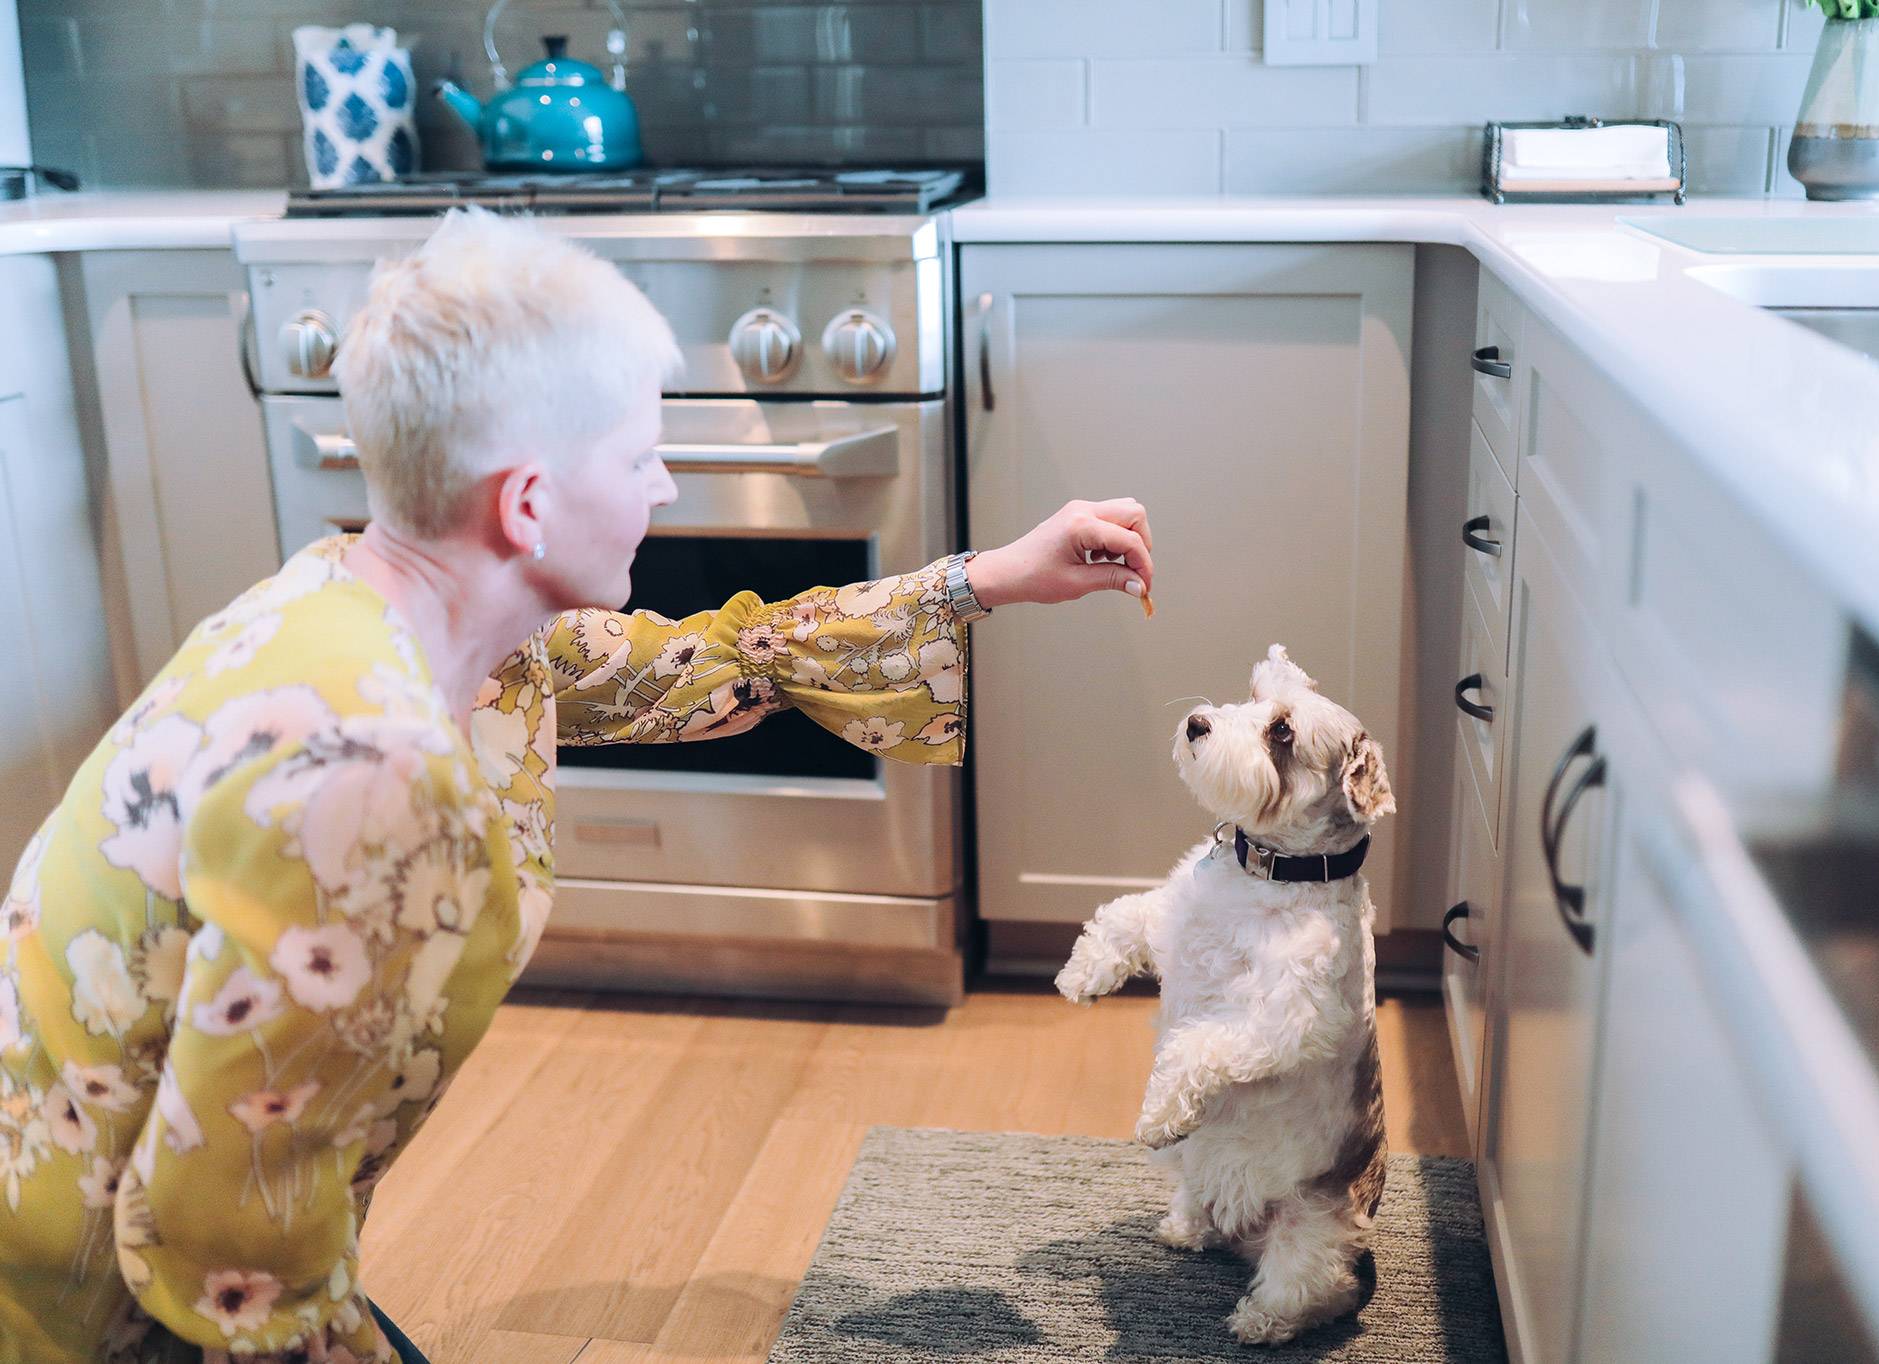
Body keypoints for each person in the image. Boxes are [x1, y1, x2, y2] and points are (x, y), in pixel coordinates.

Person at [0, 208, 1155, 1363]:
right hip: (81, 1305)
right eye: (638, 454)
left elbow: (720, 661)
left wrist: (986, 578)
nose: (662, 485)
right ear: (528, 503)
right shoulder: (369, 770)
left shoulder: (381, 607)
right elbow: (220, 1250)